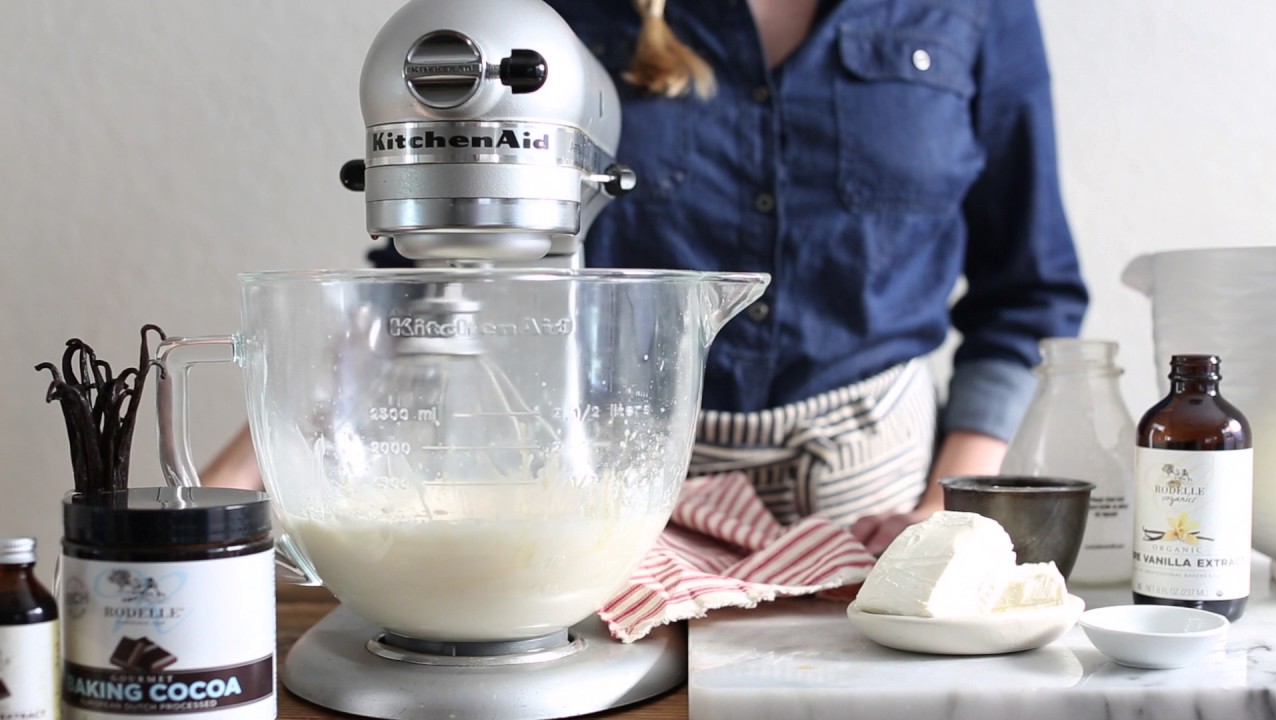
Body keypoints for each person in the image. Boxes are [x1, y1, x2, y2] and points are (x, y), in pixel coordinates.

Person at [204, 0, 1088, 556]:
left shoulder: (977, 10)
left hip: (881, 498)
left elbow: (1030, 295)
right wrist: (224, 491)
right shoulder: (553, 20)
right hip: (607, 497)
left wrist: (948, 515)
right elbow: (433, 278)